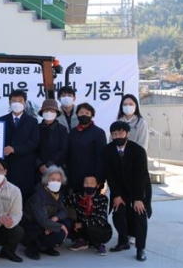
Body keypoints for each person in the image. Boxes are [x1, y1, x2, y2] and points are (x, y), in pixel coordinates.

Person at [104, 121, 152, 262]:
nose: (117, 136)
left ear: (127, 134)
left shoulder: (138, 151)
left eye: (120, 133)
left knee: (139, 215)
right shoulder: (107, 150)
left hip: (139, 188)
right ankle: (123, 241)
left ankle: (140, 248)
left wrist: (138, 198)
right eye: (114, 134)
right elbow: (110, 175)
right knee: (118, 213)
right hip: (119, 188)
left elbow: (140, 176)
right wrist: (117, 195)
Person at [0, 89, 40, 203]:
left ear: (25, 103)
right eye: (14, 101)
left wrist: (15, 149)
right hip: (7, 164)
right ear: (9, 103)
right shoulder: (1, 120)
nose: (17, 103)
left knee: (24, 197)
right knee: (6, 197)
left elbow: (33, 143)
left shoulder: (32, 121)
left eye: (20, 101)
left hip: (25, 165)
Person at [20, 166, 70, 260]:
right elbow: (42, 220)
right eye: (53, 179)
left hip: (46, 222)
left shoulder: (57, 194)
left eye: (59, 180)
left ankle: (46, 247)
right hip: (32, 227)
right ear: (47, 180)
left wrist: (55, 219)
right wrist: (59, 226)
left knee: (68, 223)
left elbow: (64, 211)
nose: (56, 182)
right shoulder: (39, 196)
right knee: (60, 231)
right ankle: (32, 248)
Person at [64, 174, 112, 255]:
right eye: (86, 183)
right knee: (67, 222)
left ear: (97, 185)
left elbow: (101, 220)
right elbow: (63, 201)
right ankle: (82, 241)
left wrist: (82, 224)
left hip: (99, 230)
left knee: (91, 228)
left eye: (92, 183)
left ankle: (98, 245)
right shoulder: (78, 197)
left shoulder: (103, 199)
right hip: (81, 229)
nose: (89, 185)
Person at [66, 103, 107, 195]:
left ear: (92, 116)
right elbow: (69, 155)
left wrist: (99, 178)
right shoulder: (72, 133)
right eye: (81, 113)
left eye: (87, 113)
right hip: (75, 176)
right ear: (77, 115)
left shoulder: (99, 132)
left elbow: (101, 156)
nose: (84, 115)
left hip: (91, 178)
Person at [35, 99, 68, 176]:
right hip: (38, 169)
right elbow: (32, 147)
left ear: (56, 113)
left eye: (52, 111)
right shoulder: (36, 128)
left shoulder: (62, 129)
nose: (48, 113)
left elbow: (63, 150)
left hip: (57, 169)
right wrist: (39, 164)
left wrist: (49, 165)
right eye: (46, 111)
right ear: (42, 113)